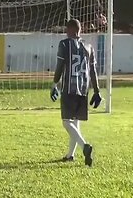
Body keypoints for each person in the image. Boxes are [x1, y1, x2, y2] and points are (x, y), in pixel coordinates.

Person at [50, 18, 102, 167]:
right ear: (80, 30)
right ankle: (70, 155)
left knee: (67, 122)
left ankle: (85, 146)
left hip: (69, 88)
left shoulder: (64, 44)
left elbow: (60, 66)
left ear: (70, 30)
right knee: (76, 122)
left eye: (67, 30)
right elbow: (93, 71)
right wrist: (97, 91)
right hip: (83, 89)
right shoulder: (89, 46)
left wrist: (55, 84)